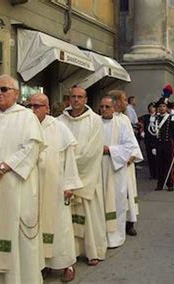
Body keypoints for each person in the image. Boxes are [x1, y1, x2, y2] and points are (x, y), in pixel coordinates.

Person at [0, 75, 45, 283]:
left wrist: (3, 167)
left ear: (15, 93)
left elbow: (31, 147)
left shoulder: (26, 117)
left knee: (16, 236)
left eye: (4, 89)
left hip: (15, 186)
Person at [29, 93, 82, 282]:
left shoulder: (59, 128)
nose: (33, 110)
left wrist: (69, 185)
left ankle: (67, 264)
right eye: (31, 106)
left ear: (47, 108)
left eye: (37, 106)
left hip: (56, 186)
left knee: (61, 228)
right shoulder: (26, 126)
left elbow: (69, 159)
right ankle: (42, 264)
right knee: (36, 227)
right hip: (33, 188)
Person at [58, 87, 107, 266]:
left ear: (86, 99)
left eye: (80, 97)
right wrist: (65, 172)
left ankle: (92, 250)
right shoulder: (59, 121)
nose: (76, 100)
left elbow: (93, 152)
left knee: (90, 216)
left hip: (87, 178)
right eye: (73, 97)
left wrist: (71, 169)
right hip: (64, 179)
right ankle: (70, 252)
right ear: (68, 99)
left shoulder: (95, 121)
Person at [99, 96, 138, 248]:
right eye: (101, 107)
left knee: (116, 201)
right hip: (98, 167)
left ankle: (115, 235)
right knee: (100, 202)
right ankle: (100, 235)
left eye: (107, 107)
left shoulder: (122, 123)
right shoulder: (95, 122)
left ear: (113, 108)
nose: (103, 110)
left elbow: (129, 146)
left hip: (116, 167)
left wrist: (110, 150)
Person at [109, 90, 143, 237]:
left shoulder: (124, 119)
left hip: (126, 163)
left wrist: (132, 156)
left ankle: (130, 222)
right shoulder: (105, 119)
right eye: (123, 99)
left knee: (128, 192)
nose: (125, 103)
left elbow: (132, 142)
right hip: (112, 163)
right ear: (116, 102)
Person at [153, 98, 174, 191]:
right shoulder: (156, 118)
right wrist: (154, 146)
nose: (162, 108)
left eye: (164, 106)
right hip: (159, 144)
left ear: (167, 107)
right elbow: (154, 134)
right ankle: (160, 183)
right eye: (160, 106)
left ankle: (170, 184)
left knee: (169, 165)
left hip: (169, 144)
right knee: (159, 165)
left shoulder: (171, 118)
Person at [140, 102, 158, 179]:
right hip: (148, 138)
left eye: (153, 107)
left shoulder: (158, 117)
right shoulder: (146, 117)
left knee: (156, 157)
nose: (152, 109)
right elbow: (141, 123)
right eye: (150, 107)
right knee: (150, 157)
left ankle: (157, 173)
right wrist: (142, 131)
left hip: (156, 139)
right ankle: (152, 174)